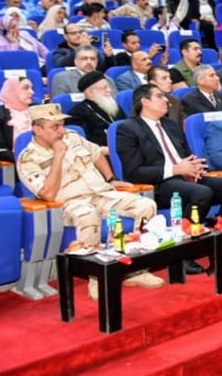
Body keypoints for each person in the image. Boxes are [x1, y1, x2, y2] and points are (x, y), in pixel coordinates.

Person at [17, 103, 162, 299]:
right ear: (37, 129)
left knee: (146, 206)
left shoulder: (72, 137)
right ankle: (97, 279)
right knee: (88, 216)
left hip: (99, 194)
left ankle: (134, 269)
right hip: (68, 203)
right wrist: (58, 157)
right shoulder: (28, 158)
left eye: (62, 125)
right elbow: (48, 194)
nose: (62, 131)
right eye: (55, 127)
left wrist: (111, 179)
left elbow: (96, 154)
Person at [116, 84, 222, 266]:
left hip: (185, 178)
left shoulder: (171, 125)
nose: (166, 100)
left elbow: (186, 155)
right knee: (201, 193)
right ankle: (184, 255)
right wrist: (175, 169)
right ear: (145, 102)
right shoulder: (128, 129)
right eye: (160, 96)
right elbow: (133, 172)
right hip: (159, 184)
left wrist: (195, 167)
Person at [67, 71, 125, 147]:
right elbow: (83, 142)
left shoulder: (113, 106)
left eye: (108, 87)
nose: (109, 90)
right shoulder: (77, 113)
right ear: (90, 93)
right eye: (104, 88)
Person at [0, 75, 35, 162]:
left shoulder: (38, 109)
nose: (32, 92)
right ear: (12, 91)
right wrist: (26, 159)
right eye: (26, 88)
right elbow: (0, 151)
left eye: (32, 88)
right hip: (19, 162)